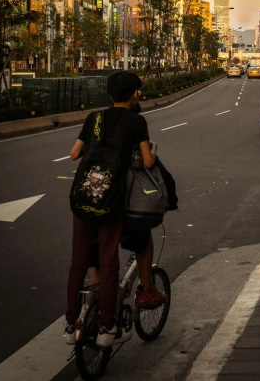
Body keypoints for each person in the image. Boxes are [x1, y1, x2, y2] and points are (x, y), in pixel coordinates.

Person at [64, 72, 167, 348]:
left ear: (110, 95)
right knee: (109, 263)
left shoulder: (94, 118)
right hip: (110, 201)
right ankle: (108, 326)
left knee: (78, 262)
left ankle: (71, 321)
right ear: (134, 94)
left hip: (83, 196)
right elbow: (146, 161)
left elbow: (74, 154)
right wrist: (153, 152)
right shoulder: (137, 121)